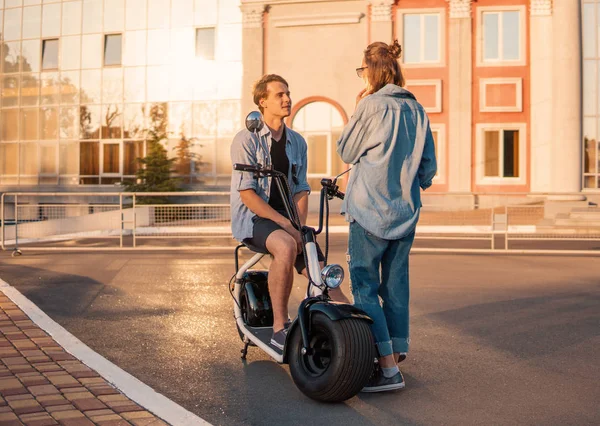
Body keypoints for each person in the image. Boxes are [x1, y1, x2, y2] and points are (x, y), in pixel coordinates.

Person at [337, 40, 437, 392]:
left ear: (372, 71)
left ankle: (387, 369)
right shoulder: (418, 110)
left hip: (368, 212)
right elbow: (428, 170)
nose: (361, 75)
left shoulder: (371, 106)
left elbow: (346, 150)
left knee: (364, 288)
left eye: (362, 70)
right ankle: (397, 351)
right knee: (395, 288)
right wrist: (404, 181)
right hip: (405, 214)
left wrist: (357, 107)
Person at [230, 74, 349, 351]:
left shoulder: (297, 142)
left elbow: (301, 190)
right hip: (256, 218)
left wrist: (299, 228)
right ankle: (279, 328)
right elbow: (247, 194)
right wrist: (288, 227)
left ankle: (357, 333)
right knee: (285, 246)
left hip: (288, 220)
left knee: (322, 272)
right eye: (279, 95)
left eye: (288, 93)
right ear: (263, 101)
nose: (287, 99)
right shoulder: (246, 140)